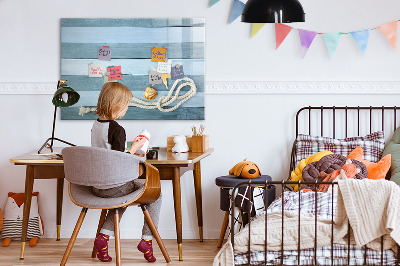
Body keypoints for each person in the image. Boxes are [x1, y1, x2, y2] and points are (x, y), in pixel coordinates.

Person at [91, 82, 162, 263]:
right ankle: (147, 240)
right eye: (127, 105)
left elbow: (108, 155)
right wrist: (135, 149)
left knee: (121, 198)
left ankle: (104, 238)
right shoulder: (117, 129)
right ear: (117, 105)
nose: (126, 109)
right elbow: (119, 161)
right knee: (156, 194)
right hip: (114, 186)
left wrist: (132, 150)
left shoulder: (96, 125)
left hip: (97, 186)